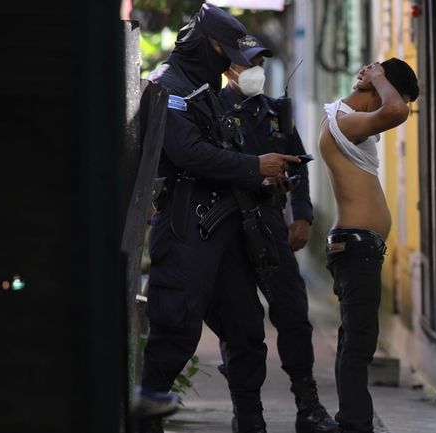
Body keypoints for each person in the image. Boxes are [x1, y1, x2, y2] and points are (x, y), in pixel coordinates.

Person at [136, 4, 300, 433]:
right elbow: (187, 152)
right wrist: (253, 167)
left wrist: (266, 176)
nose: (230, 62)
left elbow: (226, 151)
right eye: (224, 51)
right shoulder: (167, 85)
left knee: (245, 327)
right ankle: (145, 414)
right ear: (202, 44)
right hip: (186, 224)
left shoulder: (204, 87)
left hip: (228, 226)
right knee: (176, 322)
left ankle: (250, 419)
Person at [216, 36, 339, 433]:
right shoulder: (212, 109)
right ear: (229, 69)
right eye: (248, 63)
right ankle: (248, 414)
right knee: (241, 324)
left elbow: (298, 167)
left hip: (270, 225)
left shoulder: (277, 112)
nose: (257, 71)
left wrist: (301, 215)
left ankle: (309, 408)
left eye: (260, 62)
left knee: (293, 316)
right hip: (228, 228)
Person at [318, 58, 419, 433]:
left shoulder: (348, 121)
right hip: (356, 247)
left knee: (355, 340)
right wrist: (378, 77)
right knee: (359, 344)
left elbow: (392, 106)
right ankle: (354, 425)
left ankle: (352, 421)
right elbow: (396, 109)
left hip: (358, 246)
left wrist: (375, 79)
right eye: (391, 92)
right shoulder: (346, 123)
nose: (389, 101)